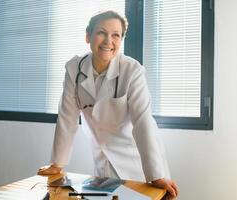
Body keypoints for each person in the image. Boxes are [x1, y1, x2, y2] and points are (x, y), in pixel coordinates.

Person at [37, 10, 178, 199]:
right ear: (88, 36)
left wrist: (156, 175)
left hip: (138, 162)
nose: (108, 41)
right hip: (102, 161)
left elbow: (142, 121)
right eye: (101, 33)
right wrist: (57, 163)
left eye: (115, 35)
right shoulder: (73, 69)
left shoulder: (132, 71)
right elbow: (67, 118)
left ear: (121, 40)